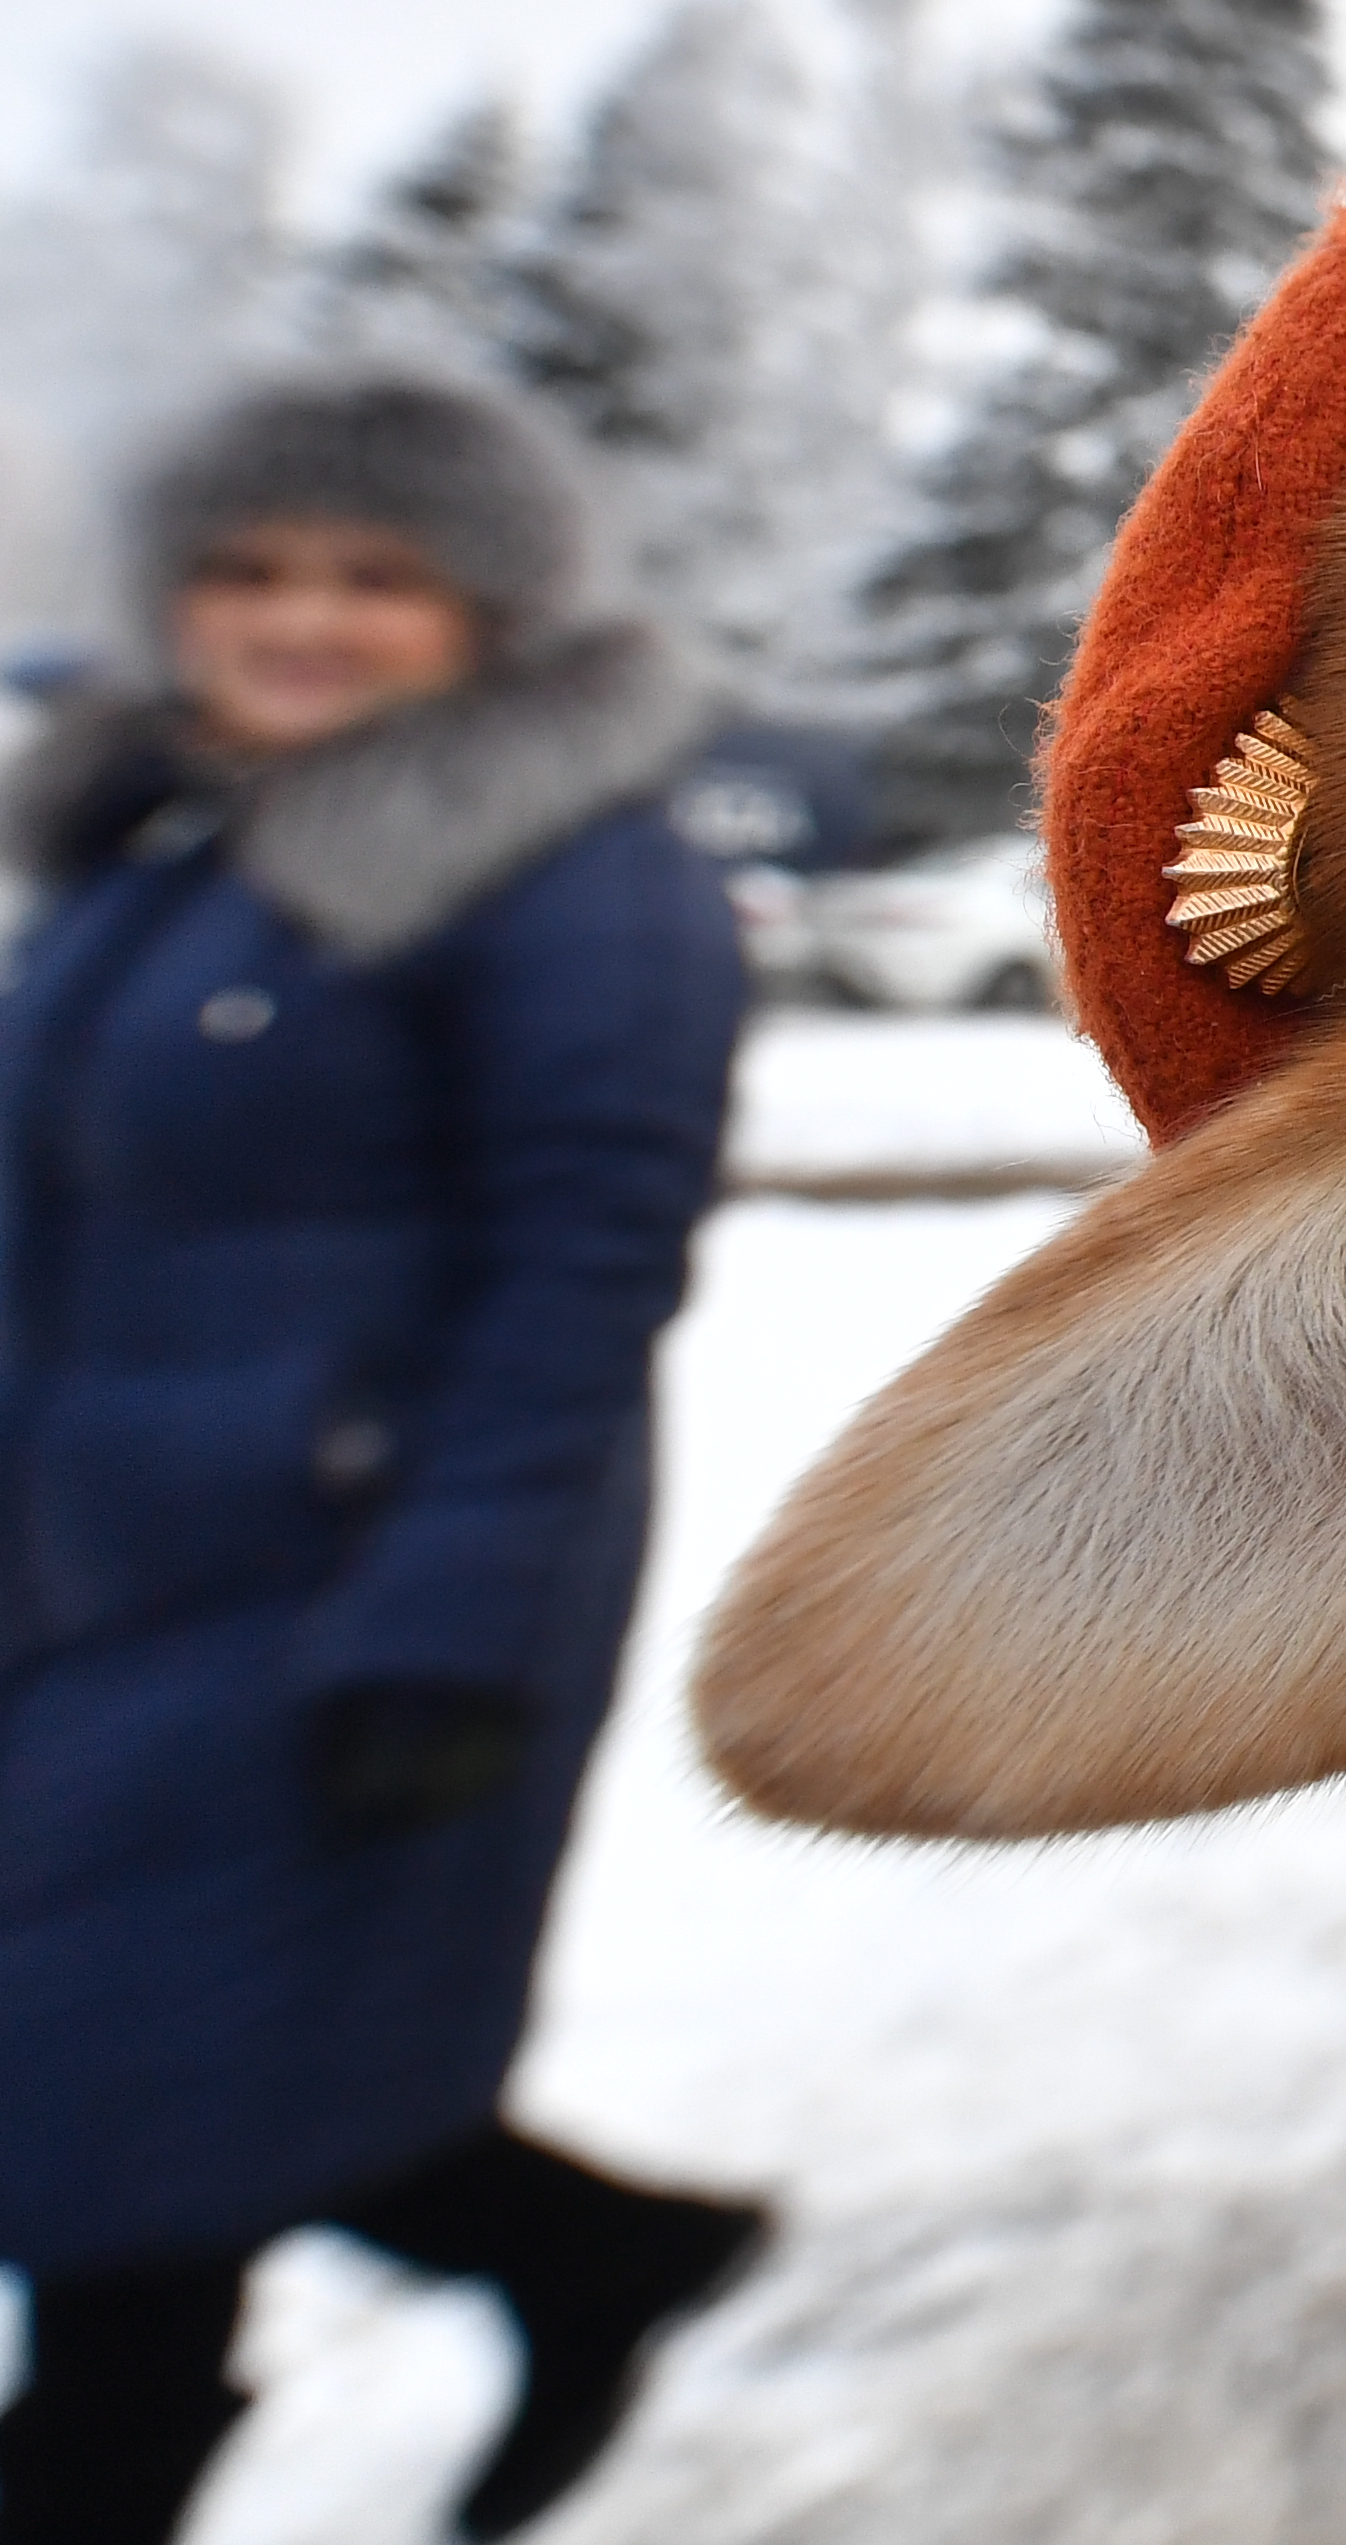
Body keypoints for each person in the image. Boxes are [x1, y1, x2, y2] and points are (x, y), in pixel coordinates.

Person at [0, 377, 765, 2544]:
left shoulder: (576, 880)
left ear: (489, 610)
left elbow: (585, 1264)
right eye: (248, 567)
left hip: (337, 1591)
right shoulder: (163, 845)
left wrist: (450, 1618)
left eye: (371, 572)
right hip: (89, 1586)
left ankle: (101, 2465)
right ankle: (593, 2252)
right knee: (159, 2058)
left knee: (109, 2116)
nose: (298, 617)